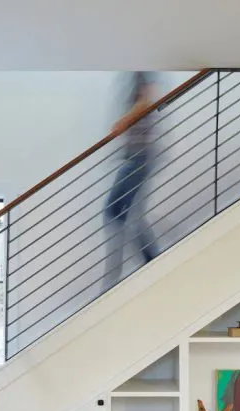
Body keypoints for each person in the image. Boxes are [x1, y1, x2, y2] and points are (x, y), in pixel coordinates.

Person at [102, 71, 161, 290]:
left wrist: (124, 122)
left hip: (141, 155)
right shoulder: (135, 73)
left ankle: (147, 261)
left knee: (116, 211)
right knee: (121, 213)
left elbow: (148, 98)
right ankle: (149, 260)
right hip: (135, 155)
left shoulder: (142, 71)